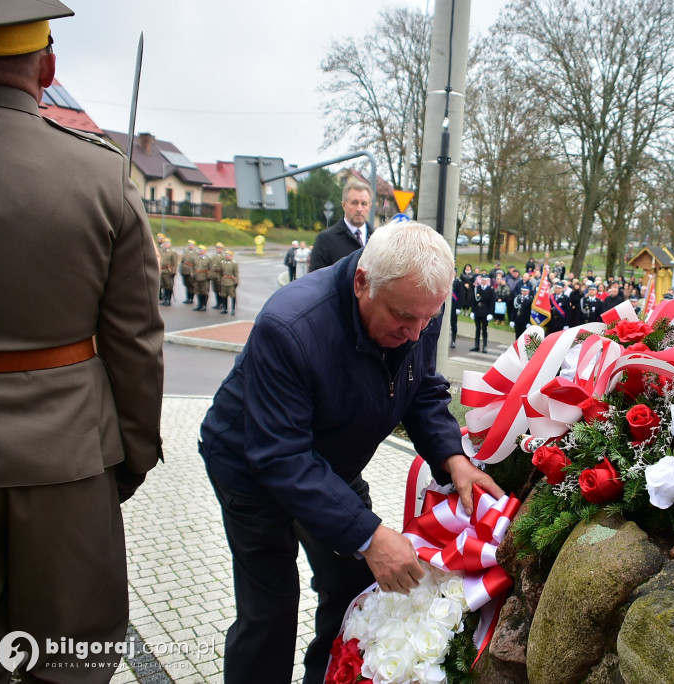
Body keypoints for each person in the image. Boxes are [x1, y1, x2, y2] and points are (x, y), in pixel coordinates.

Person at [198, 220, 502, 684]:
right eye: (405, 318)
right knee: (271, 608)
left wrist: (453, 458)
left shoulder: (416, 306)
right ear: (362, 283)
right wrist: (369, 534)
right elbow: (282, 455)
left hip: (330, 461)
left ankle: (328, 677)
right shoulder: (291, 326)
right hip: (251, 465)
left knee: (351, 587)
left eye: (429, 318)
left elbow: (421, 389)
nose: (418, 333)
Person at [0, 3, 164, 681]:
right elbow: (136, 344)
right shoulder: (98, 176)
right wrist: (130, 456)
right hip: (67, 463)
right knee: (67, 660)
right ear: (47, 66)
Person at [309, 178, 373, 271]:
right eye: (354, 203)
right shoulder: (325, 240)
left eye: (363, 203)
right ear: (344, 205)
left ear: (369, 207)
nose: (359, 208)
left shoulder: (378, 238)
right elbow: (316, 281)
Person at [469, 274, 495, 353]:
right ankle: (476, 345)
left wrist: (491, 313)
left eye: (485, 280)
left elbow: (492, 302)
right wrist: (472, 311)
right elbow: (473, 301)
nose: (483, 281)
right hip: (477, 311)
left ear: (487, 281)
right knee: (477, 329)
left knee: (484, 330)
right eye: (482, 280)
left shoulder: (490, 290)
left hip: (485, 312)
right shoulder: (477, 288)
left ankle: (484, 346)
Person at [158, 237, 179, 306]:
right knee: (163, 285)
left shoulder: (172, 252)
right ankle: (165, 299)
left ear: (169, 244)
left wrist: (173, 272)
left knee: (168, 286)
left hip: (168, 271)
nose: (165, 244)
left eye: (166, 243)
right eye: (164, 243)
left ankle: (168, 300)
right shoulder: (161, 251)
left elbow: (174, 263)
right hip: (162, 270)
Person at [220, 250, 240, 315]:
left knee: (232, 296)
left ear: (231, 256)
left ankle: (233, 309)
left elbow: (236, 273)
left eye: (229, 255)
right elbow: (221, 273)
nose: (227, 256)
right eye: (226, 255)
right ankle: (225, 308)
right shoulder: (222, 262)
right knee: (223, 295)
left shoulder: (234, 263)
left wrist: (236, 282)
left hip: (231, 282)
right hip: (223, 282)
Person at [192, 244, 211, 311]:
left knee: (204, 292)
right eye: (199, 250)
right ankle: (199, 305)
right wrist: (193, 275)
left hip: (204, 278)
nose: (200, 251)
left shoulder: (208, 259)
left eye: (202, 250)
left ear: (205, 251)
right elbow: (193, 267)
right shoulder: (196, 258)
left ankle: (204, 305)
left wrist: (208, 277)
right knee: (198, 291)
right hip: (197, 277)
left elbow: (210, 269)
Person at [180, 239, 197, 304]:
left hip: (190, 271)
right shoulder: (186, 251)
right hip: (184, 271)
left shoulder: (195, 252)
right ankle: (187, 297)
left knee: (191, 285)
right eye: (189, 245)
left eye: (191, 245)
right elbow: (182, 261)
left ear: (194, 246)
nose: (190, 246)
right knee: (186, 285)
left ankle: (191, 298)